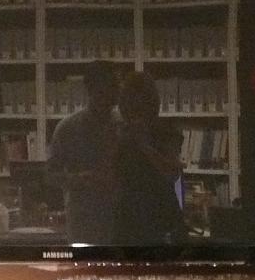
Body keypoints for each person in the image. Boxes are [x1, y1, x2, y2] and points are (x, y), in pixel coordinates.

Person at [47, 61, 121, 243]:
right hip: (84, 222)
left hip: (120, 220)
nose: (118, 90)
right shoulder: (68, 128)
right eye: (113, 84)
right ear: (94, 88)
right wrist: (81, 179)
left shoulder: (124, 126)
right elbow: (50, 175)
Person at [111, 71, 186, 243]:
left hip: (160, 211)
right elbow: (110, 173)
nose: (138, 112)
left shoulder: (166, 132)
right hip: (127, 213)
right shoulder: (119, 133)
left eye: (142, 105)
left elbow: (172, 173)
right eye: (133, 105)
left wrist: (144, 145)